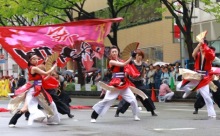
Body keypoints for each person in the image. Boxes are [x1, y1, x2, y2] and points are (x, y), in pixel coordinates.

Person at [8, 52, 60, 127]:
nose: (36, 60)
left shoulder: (35, 68)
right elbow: (46, 73)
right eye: (34, 59)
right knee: (25, 108)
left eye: (37, 59)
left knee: (50, 104)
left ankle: (52, 120)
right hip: (33, 90)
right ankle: (12, 121)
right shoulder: (34, 68)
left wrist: (51, 70)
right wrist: (53, 67)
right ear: (30, 60)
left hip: (39, 90)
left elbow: (44, 78)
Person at [90, 46, 140, 123]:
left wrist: (130, 66)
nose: (114, 53)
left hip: (123, 84)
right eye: (112, 52)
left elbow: (126, 68)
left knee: (133, 99)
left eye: (115, 51)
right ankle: (94, 116)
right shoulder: (111, 61)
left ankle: (135, 115)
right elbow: (123, 64)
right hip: (115, 84)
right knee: (106, 100)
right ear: (110, 53)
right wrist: (131, 57)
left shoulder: (121, 60)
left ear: (118, 52)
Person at [176, 39, 216, 118]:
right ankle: (188, 91)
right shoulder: (198, 54)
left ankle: (212, 114)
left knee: (207, 97)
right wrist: (199, 45)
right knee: (179, 86)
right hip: (195, 76)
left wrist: (204, 46)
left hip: (204, 78)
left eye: (202, 45)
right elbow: (193, 54)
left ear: (206, 46)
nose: (201, 47)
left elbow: (211, 56)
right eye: (200, 46)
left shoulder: (210, 54)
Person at [115, 49, 158, 117]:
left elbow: (144, 72)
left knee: (145, 96)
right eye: (138, 55)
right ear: (136, 56)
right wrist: (124, 78)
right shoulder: (131, 62)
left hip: (140, 83)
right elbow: (126, 68)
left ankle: (152, 111)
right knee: (128, 97)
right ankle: (118, 111)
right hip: (131, 83)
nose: (140, 57)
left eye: (141, 56)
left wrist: (143, 77)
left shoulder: (143, 64)